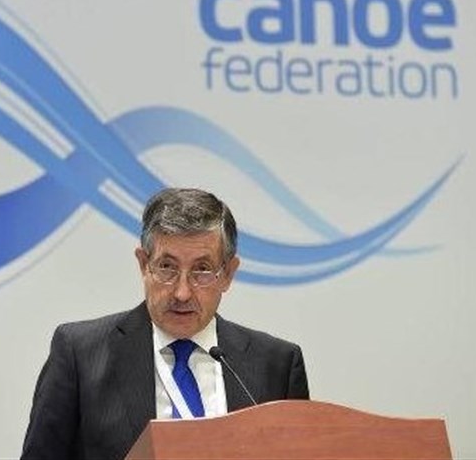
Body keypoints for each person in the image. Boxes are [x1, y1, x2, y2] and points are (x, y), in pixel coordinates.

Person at [21, 187, 309, 460]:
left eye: (202, 270)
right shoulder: (80, 355)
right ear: (143, 264)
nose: (182, 293)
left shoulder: (277, 365)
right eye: (167, 267)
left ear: (228, 274)